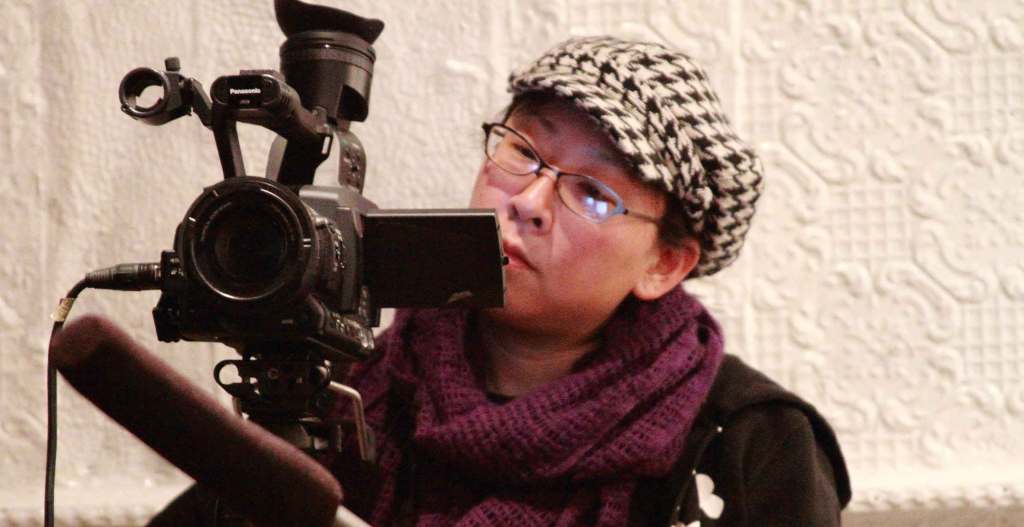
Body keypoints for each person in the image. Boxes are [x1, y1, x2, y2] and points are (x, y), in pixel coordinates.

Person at [149, 36, 850, 526]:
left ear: (664, 264)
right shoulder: (352, 388)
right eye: (522, 150)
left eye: (594, 193)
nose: (530, 201)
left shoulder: (750, 441)